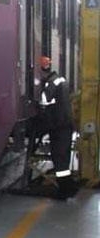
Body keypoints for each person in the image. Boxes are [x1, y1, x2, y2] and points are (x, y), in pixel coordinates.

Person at [36, 56, 76, 199]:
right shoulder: (60, 79)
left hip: (59, 126)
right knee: (63, 158)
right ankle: (69, 188)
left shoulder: (52, 83)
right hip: (64, 124)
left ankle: (66, 190)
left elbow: (44, 100)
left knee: (59, 158)